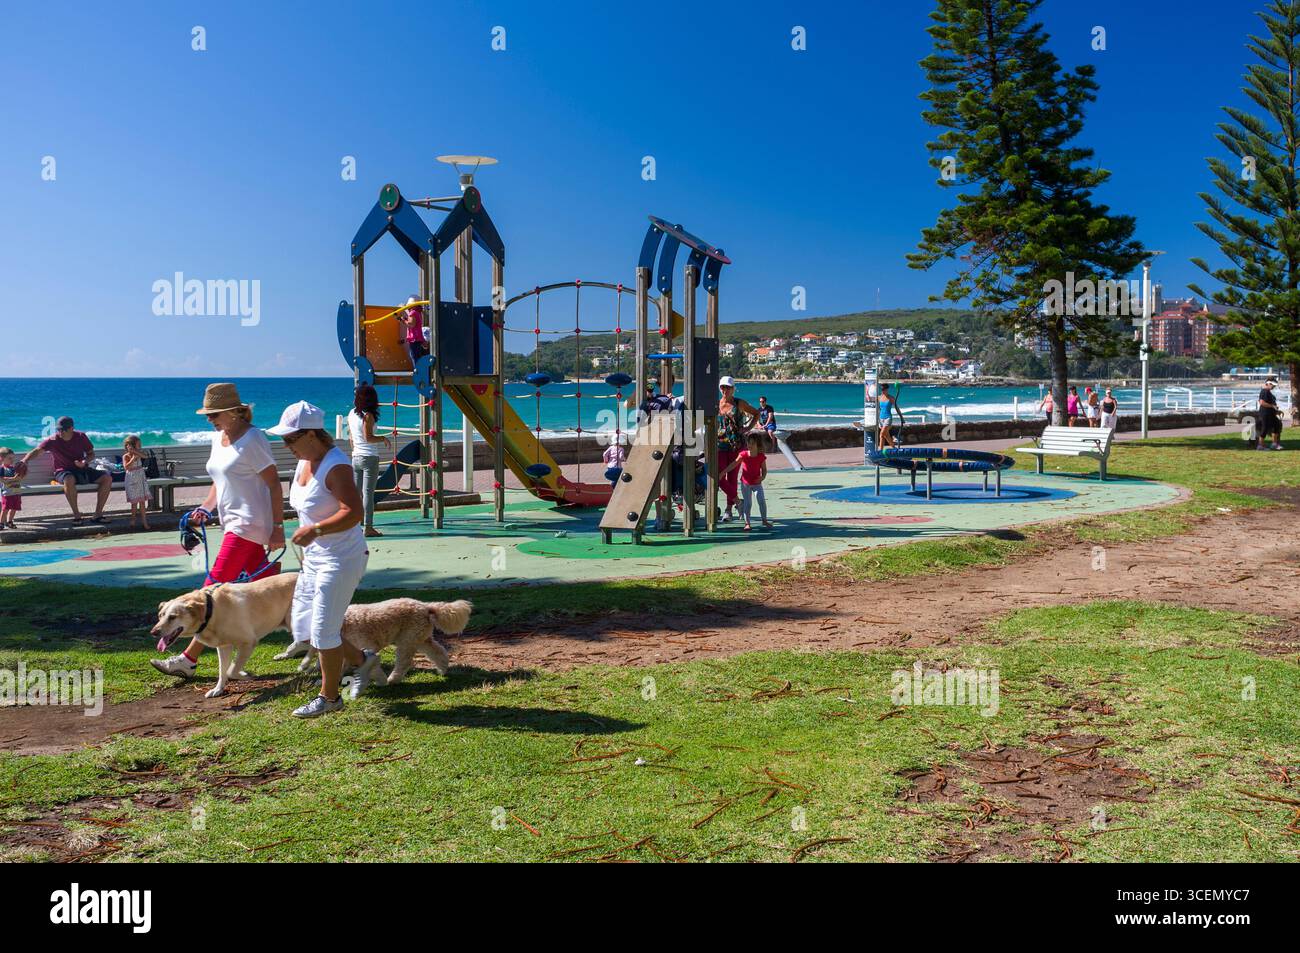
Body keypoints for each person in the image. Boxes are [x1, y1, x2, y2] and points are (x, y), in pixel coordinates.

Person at [152, 383, 286, 678]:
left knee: (210, 592)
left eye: (214, 413)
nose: (209, 419)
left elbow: (274, 484)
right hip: (232, 523)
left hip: (249, 524)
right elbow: (219, 482)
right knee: (269, 589)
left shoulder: (253, 439)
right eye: (207, 414)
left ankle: (188, 659)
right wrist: (206, 508)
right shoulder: (218, 438)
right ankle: (315, 638)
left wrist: (278, 527)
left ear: (235, 411)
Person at [269, 401, 381, 718]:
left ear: (312, 434)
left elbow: (354, 513)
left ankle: (330, 698)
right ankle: (362, 661)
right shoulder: (305, 461)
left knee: (322, 632)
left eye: (290, 438)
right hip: (315, 558)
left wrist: (316, 529)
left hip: (341, 559)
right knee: (305, 629)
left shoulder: (337, 466)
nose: (286, 445)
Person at [21, 416, 111, 524]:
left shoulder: (81, 437)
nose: (60, 432)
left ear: (71, 428)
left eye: (63, 429)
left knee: (107, 478)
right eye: (58, 429)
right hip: (62, 471)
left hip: (81, 469)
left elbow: (91, 454)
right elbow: (37, 450)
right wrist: (24, 460)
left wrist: (84, 462)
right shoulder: (53, 440)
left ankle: (98, 514)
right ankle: (77, 515)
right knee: (69, 479)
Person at [348, 384, 390, 538]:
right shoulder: (368, 415)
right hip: (369, 458)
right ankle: (369, 527)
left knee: (356, 494)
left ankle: (354, 526)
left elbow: (352, 438)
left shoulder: (352, 414)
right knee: (368, 494)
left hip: (356, 457)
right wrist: (383, 438)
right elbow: (368, 437)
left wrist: (355, 451)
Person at [717, 376, 758, 522]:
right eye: (722, 387)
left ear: (733, 389)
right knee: (719, 476)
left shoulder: (739, 403)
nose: (725, 390)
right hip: (720, 445)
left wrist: (747, 428)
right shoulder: (716, 404)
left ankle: (728, 510)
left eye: (728, 387)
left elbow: (756, 414)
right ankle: (738, 502)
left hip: (736, 445)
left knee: (732, 477)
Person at [721, 432, 771, 531]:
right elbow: (734, 464)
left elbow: (764, 469)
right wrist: (723, 472)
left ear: (758, 445)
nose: (750, 445)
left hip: (757, 484)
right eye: (749, 443)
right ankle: (747, 523)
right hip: (746, 484)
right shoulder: (743, 454)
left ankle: (764, 520)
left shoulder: (761, 456)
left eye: (753, 443)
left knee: (761, 501)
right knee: (748, 503)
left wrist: (762, 477)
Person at [122, 435, 151, 531]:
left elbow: (145, 456)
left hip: (140, 478)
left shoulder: (138, 453)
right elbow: (126, 467)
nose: (140, 446)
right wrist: (132, 458)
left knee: (142, 501)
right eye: (138, 445)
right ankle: (133, 520)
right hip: (131, 479)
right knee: (134, 502)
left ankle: (144, 522)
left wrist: (135, 452)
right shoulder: (125, 456)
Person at [398, 296, 429, 368]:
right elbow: (414, 326)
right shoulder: (418, 313)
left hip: (414, 339)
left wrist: (403, 320)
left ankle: (418, 370)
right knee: (417, 355)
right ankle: (420, 369)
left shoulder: (412, 312)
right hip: (418, 337)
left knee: (414, 355)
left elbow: (411, 324)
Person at [0, 447, 25, 530]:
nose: (12, 460)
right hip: (7, 493)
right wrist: (13, 479)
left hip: (16, 492)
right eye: (9, 458)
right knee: (5, 509)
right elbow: (2, 479)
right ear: (2, 458)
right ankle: (1, 523)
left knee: (14, 508)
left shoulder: (14, 468)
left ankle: (9, 522)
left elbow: (20, 477)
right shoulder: (2, 469)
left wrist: (22, 473)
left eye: (13, 458)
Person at [1256, 377, 1283, 451]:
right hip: (1265, 413)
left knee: (1276, 425)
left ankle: (1274, 444)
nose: (1274, 387)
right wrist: (1272, 406)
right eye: (1272, 385)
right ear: (1268, 383)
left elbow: (1270, 403)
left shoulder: (1268, 392)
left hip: (1271, 414)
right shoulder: (1264, 391)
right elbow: (1262, 402)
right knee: (1264, 429)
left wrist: (1276, 410)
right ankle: (1260, 445)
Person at [877, 382, 904, 450]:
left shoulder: (891, 398)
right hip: (881, 419)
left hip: (888, 418)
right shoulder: (879, 398)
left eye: (884, 389)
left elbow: (896, 408)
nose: (883, 391)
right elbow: (878, 409)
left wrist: (901, 417)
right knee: (886, 435)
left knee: (882, 434)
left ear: (887, 389)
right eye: (882, 389)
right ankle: (894, 448)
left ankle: (880, 451)